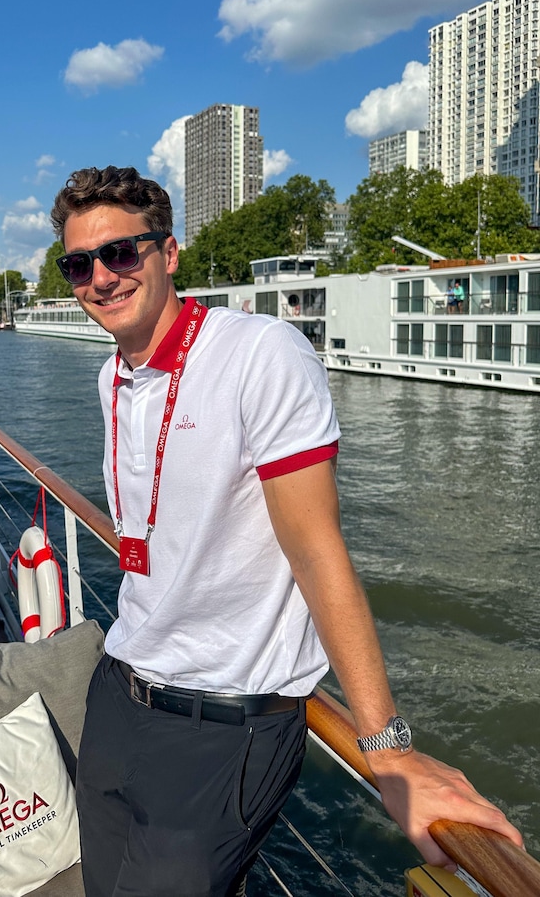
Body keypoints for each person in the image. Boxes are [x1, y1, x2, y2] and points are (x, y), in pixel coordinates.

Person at [48, 167, 523, 897]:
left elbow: (316, 548)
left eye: (121, 254)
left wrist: (388, 751)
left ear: (168, 253)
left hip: (222, 728)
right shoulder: (111, 376)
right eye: (79, 263)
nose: (100, 278)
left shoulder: (260, 353)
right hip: (118, 693)